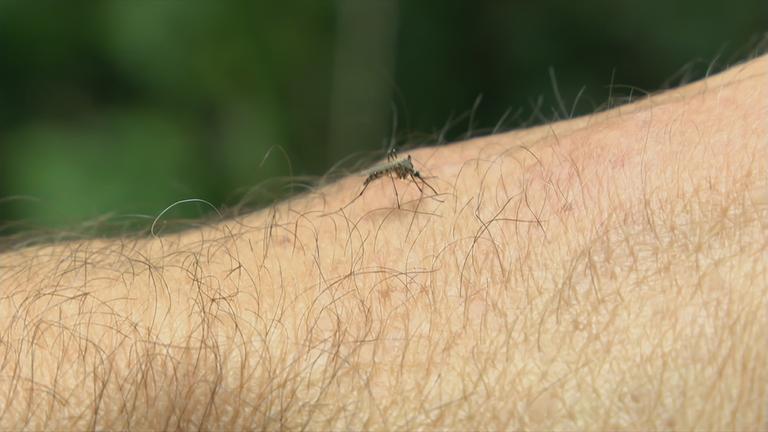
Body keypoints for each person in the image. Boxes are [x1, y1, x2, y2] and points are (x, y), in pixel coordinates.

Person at [1, 54, 765, 430]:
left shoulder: (411, 175)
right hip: (390, 179)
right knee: (395, 185)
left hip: (400, 175)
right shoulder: (395, 179)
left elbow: (414, 176)